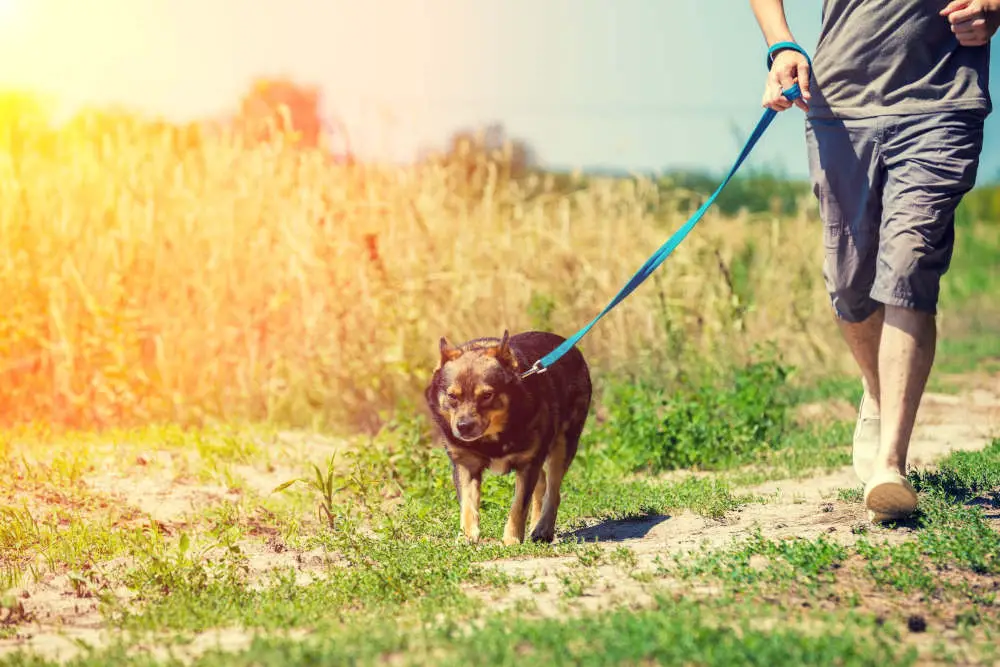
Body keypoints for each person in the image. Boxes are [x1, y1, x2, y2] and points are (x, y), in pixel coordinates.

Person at [749, 0, 996, 522]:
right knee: (848, 285)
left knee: (908, 263)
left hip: (940, 101)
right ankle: (877, 394)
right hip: (839, 105)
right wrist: (781, 43)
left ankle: (890, 465)